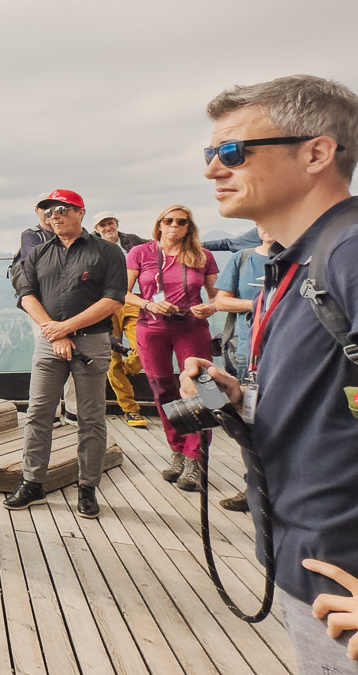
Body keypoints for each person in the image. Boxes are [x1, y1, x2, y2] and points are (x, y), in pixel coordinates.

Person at [180, 74, 358, 672]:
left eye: (232, 152)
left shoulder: (349, 254)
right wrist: (243, 395)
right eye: (211, 155)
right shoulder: (298, 261)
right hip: (308, 567)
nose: (213, 170)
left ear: (316, 152)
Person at [3, 189, 125, 519]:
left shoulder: (107, 252)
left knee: (90, 416)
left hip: (91, 342)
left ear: (80, 212)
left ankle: (87, 487)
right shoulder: (39, 253)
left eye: (61, 209)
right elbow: (26, 294)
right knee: (38, 413)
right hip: (49, 342)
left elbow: (113, 300)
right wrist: (53, 331)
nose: (53, 215)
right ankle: (32, 482)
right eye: (47, 210)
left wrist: (65, 328)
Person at [124, 205, 218, 491]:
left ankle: (194, 458)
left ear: (189, 227)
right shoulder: (140, 253)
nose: (175, 225)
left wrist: (210, 307)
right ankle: (177, 452)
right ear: (159, 225)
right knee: (163, 390)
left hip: (191, 326)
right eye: (169, 221)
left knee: (199, 388)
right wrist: (149, 303)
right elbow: (121, 292)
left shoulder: (202, 255)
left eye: (182, 221)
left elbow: (218, 297)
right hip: (151, 328)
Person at [211, 226, 276, 513]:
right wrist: (259, 303)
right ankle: (253, 486)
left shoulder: (299, 259)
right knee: (248, 421)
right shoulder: (243, 257)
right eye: (261, 222)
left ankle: (277, 488)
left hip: (283, 355)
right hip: (245, 355)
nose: (268, 226)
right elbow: (221, 300)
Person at [91, 211, 147, 428]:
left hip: (133, 300)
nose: (107, 227)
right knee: (112, 358)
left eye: (110, 223)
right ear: (96, 228)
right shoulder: (89, 246)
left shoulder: (132, 241)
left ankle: (128, 368)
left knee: (143, 348)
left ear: (116, 224)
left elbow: (157, 248)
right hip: (105, 303)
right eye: (102, 224)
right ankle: (130, 409)